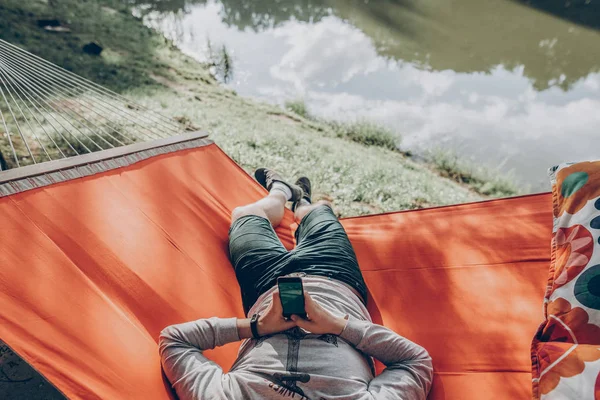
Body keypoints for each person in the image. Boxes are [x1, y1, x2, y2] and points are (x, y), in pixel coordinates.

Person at [159, 168, 433, 400]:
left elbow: (175, 340)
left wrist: (257, 326)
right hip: (335, 277)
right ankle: (305, 205)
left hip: (264, 283)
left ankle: (281, 191)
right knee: (320, 214)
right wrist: (337, 325)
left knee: (245, 214)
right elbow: (415, 362)